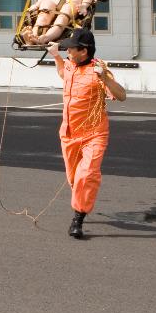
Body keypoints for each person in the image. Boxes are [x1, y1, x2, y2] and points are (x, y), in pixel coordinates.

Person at [47, 27, 126, 240]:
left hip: (94, 134)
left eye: (70, 49)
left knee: (86, 175)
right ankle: (81, 203)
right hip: (69, 133)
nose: (67, 52)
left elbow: (121, 96)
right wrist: (56, 56)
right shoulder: (71, 66)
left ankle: (78, 219)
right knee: (73, 178)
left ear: (84, 50)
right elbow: (63, 74)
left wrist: (106, 79)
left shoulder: (99, 70)